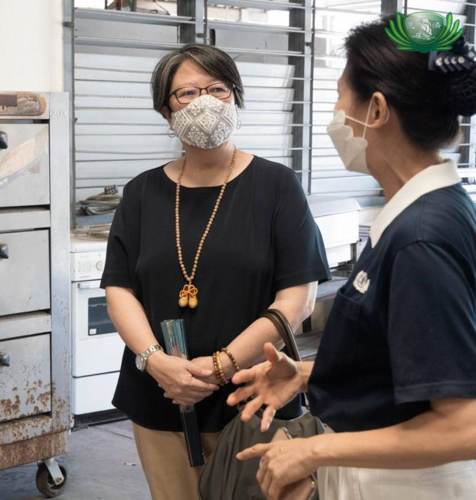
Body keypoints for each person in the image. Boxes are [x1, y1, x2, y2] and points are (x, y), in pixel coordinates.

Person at [228, 17, 476, 500]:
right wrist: (303, 374)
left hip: (406, 485)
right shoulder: (425, 213)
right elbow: (408, 361)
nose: (337, 114)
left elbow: (464, 425)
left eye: (342, 98)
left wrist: (311, 453)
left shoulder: (421, 239)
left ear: (377, 110)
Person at [101, 43, 330, 500]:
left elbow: (296, 299)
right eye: (186, 93)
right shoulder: (142, 193)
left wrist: (221, 367)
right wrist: (157, 362)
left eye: (216, 88)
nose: (203, 101)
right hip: (160, 396)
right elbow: (120, 289)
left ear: (236, 98)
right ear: (166, 114)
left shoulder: (276, 187)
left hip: (254, 398)